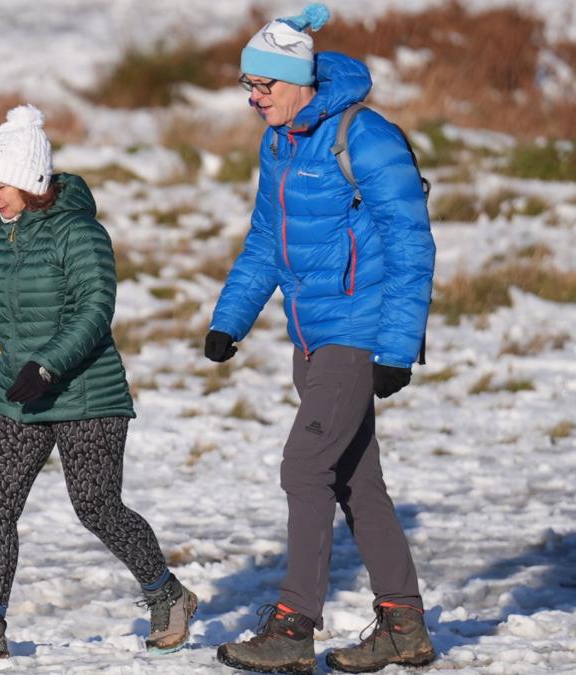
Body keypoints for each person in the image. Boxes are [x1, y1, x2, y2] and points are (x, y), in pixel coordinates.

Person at [205, 4, 436, 674]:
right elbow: (263, 241)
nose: (255, 98)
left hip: (356, 332)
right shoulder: (279, 142)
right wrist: (231, 318)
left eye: (265, 86)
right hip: (311, 334)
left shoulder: (363, 136)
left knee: (304, 468)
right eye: (248, 86)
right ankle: (403, 624)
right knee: (357, 482)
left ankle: (293, 624)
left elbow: (410, 243)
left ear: (300, 80)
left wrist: (396, 347)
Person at [0, 104, 197, 672]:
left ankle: (168, 593)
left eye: (0, 184)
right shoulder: (1, 240)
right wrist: (5, 375)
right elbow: (9, 323)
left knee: (96, 506)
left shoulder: (80, 232)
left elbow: (96, 308)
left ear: (31, 180)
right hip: (20, 397)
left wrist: (48, 366)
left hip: (86, 394)